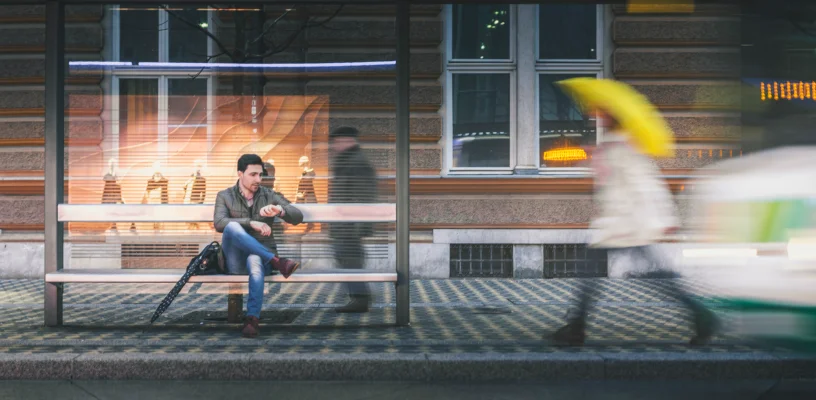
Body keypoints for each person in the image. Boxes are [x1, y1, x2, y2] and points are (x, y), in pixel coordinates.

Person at [549, 110, 718, 346]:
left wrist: (664, 218)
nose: (597, 116)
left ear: (612, 117)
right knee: (624, 274)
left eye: (602, 113)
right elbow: (610, 185)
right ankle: (702, 317)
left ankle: (703, 317)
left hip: (627, 225)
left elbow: (646, 185)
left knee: (644, 276)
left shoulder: (624, 146)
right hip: (617, 224)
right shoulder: (612, 145)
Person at [214, 154, 303, 338]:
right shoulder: (224, 195)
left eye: (260, 175)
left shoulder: (269, 195)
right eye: (253, 174)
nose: (258, 180)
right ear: (240, 173)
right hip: (235, 260)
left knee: (255, 259)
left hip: (259, 260)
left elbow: (298, 216)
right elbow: (219, 222)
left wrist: (280, 210)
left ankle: (252, 319)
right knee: (231, 226)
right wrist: (250, 223)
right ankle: (277, 261)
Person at [328, 126, 378, 313]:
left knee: (351, 259)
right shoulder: (347, 160)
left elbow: (364, 196)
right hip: (344, 224)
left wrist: (359, 226)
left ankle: (360, 299)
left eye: (338, 141)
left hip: (349, 226)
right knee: (345, 258)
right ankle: (358, 297)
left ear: (349, 141)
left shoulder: (357, 162)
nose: (335, 145)